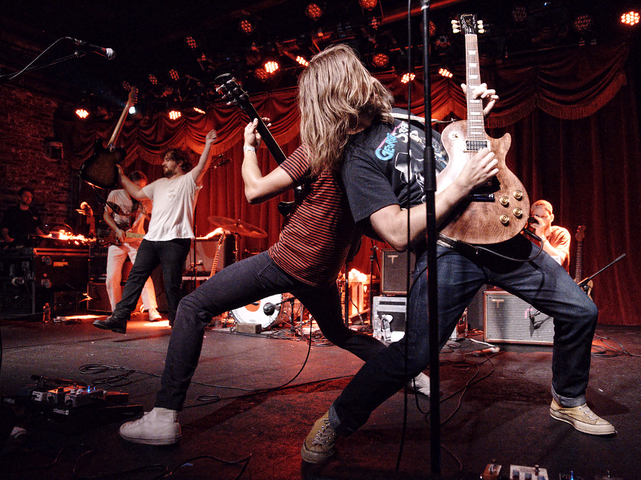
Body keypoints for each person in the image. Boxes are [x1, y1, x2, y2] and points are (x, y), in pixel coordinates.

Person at [299, 45, 615, 465]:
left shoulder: (406, 121)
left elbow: (469, 159)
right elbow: (394, 232)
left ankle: (568, 399)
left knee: (581, 311)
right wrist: (459, 185)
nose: (361, 78)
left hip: (499, 236)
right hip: (449, 251)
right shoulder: (356, 160)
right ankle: (336, 420)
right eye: (348, 75)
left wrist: (477, 119)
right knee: (414, 354)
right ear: (333, 94)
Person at [115, 113, 429, 445]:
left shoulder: (319, 149)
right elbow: (359, 232)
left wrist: (249, 148)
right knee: (338, 332)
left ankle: (163, 417)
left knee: (192, 307)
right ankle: (412, 375)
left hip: (286, 261)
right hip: (321, 272)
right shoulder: (368, 160)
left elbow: (254, 191)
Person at [93, 129, 218, 333]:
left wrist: (208, 145)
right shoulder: (158, 184)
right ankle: (119, 317)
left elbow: (203, 166)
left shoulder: (189, 180)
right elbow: (137, 193)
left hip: (176, 240)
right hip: (151, 240)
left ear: (179, 163)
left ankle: (177, 323)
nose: (162, 164)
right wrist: (122, 175)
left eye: (167, 160)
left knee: (171, 284)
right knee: (135, 276)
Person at [103, 171, 161, 321]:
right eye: (136, 187)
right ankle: (117, 312)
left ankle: (152, 309)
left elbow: (155, 217)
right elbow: (106, 214)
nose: (139, 192)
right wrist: (116, 229)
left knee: (143, 274)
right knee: (112, 277)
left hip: (136, 241)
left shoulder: (146, 200)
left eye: (142, 188)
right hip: (117, 241)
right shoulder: (115, 195)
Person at [528, 199, 571, 272]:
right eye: (537, 216)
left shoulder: (561, 233)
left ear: (552, 218)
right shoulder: (527, 235)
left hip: (557, 280)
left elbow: (558, 261)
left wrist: (541, 236)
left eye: (544, 216)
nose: (540, 220)